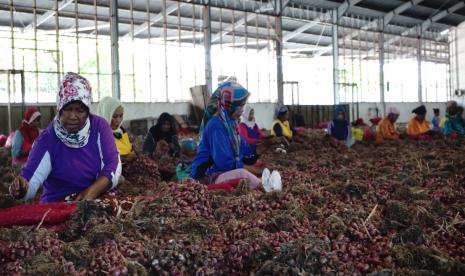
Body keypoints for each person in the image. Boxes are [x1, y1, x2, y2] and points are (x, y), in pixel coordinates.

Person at [9, 72, 121, 203]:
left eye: (80, 110)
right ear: (59, 108)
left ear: (87, 111)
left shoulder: (99, 127)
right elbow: (30, 179)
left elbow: (113, 164)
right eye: (67, 109)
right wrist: (21, 189)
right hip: (59, 204)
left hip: (98, 197)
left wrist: (93, 190)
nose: (73, 116)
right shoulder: (47, 140)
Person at [190, 82, 281, 192]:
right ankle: (268, 191)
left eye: (243, 105)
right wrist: (256, 170)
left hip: (222, 173)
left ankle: (264, 187)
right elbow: (225, 164)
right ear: (228, 105)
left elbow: (246, 151)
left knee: (245, 174)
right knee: (242, 174)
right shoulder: (216, 125)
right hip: (207, 176)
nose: (242, 110)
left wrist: (265, 145)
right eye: (239, 106)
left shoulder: (232, 125)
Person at [97, 96, 135, 162]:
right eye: (114, 116)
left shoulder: (121, 131)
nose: (118, 120)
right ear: (105, 114)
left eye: (121, 116)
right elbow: (100, 159)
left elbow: (129, 149)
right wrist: (123, 158)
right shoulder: (98, 135)